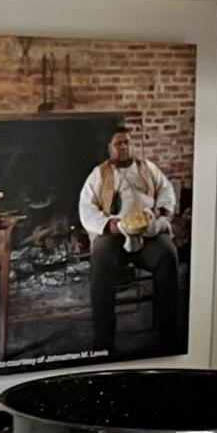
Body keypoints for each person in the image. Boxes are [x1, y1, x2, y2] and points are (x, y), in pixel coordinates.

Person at [78, 127, 181, 353]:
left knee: (168, 254)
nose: (124, 147)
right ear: (110, 148)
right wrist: (110, 225)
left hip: (147, 233)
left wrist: (160, 211)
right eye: (118, 144)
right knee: (100, 256)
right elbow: (86, 207)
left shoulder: (147, 167)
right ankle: (104, 340)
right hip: (115, 234)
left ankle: (168, 334)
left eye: (127, 143)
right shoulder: (100, 173)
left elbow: (166, 190)